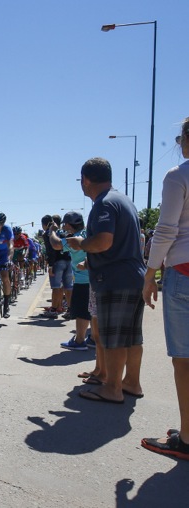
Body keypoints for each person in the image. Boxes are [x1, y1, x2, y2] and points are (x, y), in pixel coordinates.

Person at [67, 157, 145, 404]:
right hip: (133, 277)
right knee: (132, 336)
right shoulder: (123, 200)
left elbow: (103, 242)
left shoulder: (103, 203)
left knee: (113, 338)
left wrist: (81, 244)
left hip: (114, 279)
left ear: (86, 180)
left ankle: (112, 387)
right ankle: (131, 382)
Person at [141, 118, 189, 460]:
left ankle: (187, 438)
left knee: (184, 359)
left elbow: (167, 229)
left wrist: (150, 274)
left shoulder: (178, 176)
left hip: (184, 271)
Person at [49, 211, 89, 351]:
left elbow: (56, 244)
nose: (64, 228)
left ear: (69, 224)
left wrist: (52, 231)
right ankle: (94, 338)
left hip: (83, 280)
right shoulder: (87, 234)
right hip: (95, 278)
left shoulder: (75, 238)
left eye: (65, 225)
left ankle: (79, 341)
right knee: (94, 312)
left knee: (82, 312)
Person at [41, 214, 72, 317]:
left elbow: (51, 251)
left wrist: (50, 265)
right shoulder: (63, 232)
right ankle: (70, 310)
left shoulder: (48, 234)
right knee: (68, 287)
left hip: (57, 262)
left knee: (56, 287)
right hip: (68, 260)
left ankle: (54, 310)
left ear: (44, 225)